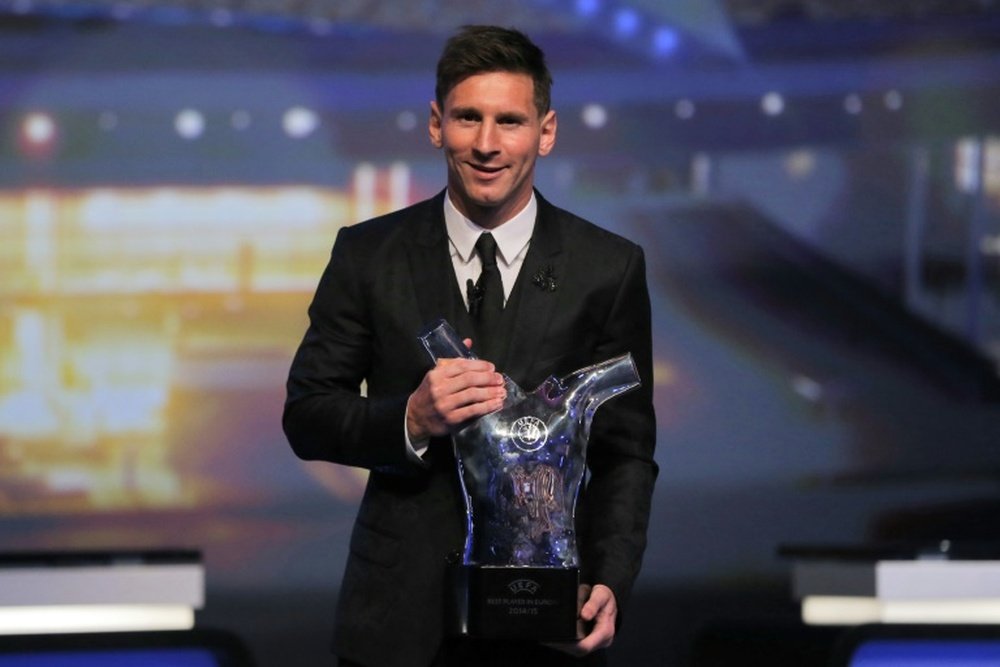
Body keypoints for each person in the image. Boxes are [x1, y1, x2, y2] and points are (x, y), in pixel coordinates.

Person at [283, 24, 657, 667]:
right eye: (467, 118)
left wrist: (606, 583)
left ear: (546, 131)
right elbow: (308, 415)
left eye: (509, 121)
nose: (487, 145)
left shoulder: (608, 268)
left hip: (544, 625)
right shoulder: (368, 255)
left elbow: (625, 455)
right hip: (399, 624)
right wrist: (410, 419)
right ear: (436, 124)